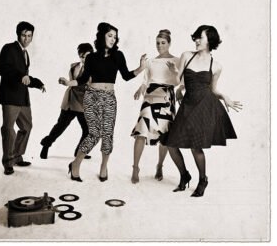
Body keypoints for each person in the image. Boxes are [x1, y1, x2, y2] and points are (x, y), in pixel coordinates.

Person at [59, 22, 146, 182]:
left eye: (115, 36)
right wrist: (68, 83)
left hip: (109, 98)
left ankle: (104, 166)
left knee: (107, 135)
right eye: (110, 35)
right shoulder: (91, 57)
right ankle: (76, 164)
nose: (113, 39)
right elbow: (83, 80)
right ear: (102, 36)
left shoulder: (118, 56)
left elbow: (126, 76)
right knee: (94, 134)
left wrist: (141, 68)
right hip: (91, 97)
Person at [165, 25, 242, 197]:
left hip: (204, 106)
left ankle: (202, 179)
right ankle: (185, 175)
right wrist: (175, 73)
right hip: (188, 104)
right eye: (196, 37)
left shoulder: (216, 66)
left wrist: (225, 97)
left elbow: (213, 89)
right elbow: (178, 81)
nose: (196, 40)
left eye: (201, 37)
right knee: (171, 144)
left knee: (195, 146)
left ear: (210, 41)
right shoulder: (186, 56)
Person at [0, 21, 45, 175]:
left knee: (26, 127)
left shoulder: (25, 52)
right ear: (18, 34)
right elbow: (2, 68)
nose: (26, 39)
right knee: (9, 130)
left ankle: (17, 156)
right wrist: (20, 76)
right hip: (10, 96)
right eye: (24, 35)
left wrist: (38, 84)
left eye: (29, 36)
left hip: (23, 97)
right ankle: (8, 162)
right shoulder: (9, 48)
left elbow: (25, 77)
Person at [130, 29, 180, 184]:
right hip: (151, 96)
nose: (160, 46)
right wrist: (141, 87)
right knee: (141, 130)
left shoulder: (177, 60)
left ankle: (159, 166)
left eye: (163, 43)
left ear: (169, 43)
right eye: (157, 43)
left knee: (164, 134)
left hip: (166, 97)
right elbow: (146, 79)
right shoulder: (151, 61)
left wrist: (175, 71)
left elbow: (179, 82)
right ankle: (135, 168)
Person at [39, 43, 94, 160]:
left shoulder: (94, 69)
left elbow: (84, 83)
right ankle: (46, 145)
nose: (85, 59)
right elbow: (74, 82)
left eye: (88, 56)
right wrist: (65, 82)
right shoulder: (74, 66)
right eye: (82, 56)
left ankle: (79, 152)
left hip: (83, 103)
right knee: (60, 126)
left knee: (88, 130)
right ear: (79, 56)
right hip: (70, 101)